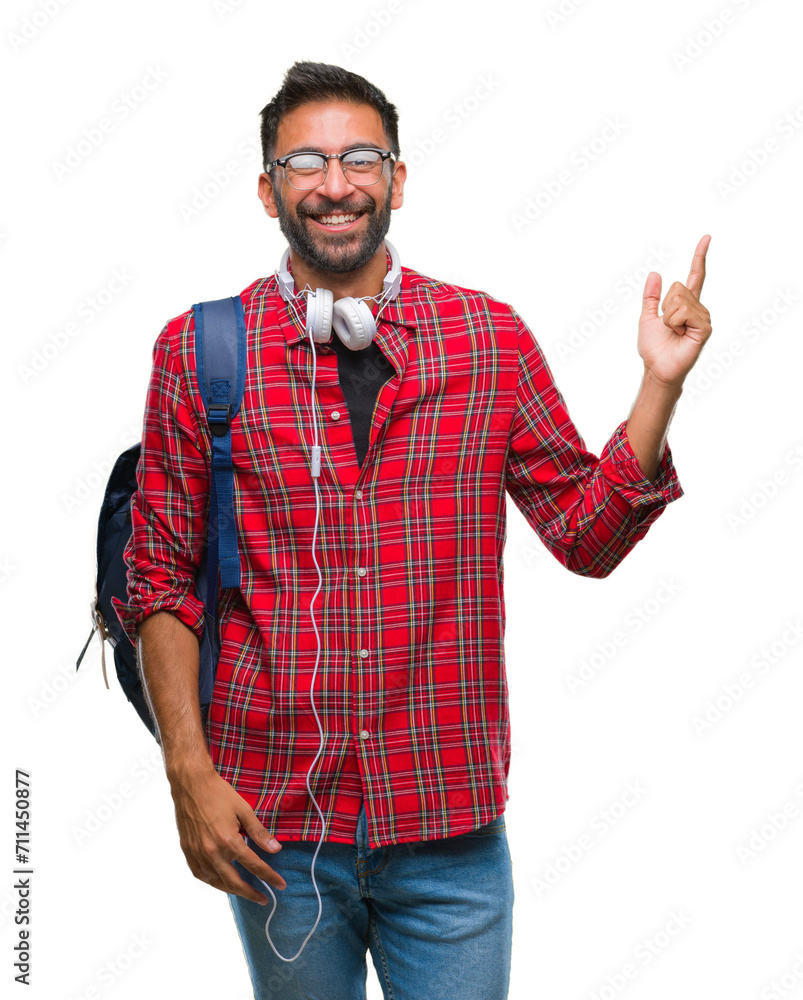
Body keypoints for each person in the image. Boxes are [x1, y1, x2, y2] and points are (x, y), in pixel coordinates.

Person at [113, 61, 712, 1000]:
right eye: (304, 162)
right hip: (274, 827)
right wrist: (188, 776)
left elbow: (586, 537)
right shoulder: (200, 351)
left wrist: (658, 385)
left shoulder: (485, 339)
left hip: (449, 830)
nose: (335, 183)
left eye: (360, 158)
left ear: (396, 179)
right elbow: (157, 577)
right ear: (268, 190)